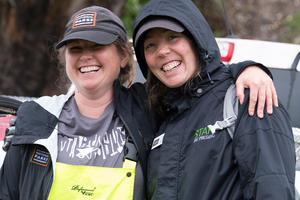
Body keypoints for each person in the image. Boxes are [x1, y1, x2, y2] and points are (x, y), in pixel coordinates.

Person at [0, 4, 280, 200]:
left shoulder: (149, 109)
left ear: (124, 56)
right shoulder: (36, 116)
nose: (86, 56)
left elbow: (200, 87)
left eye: (97, 46)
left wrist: (247, 68)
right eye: (76, 49)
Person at [132, 0, 295, 199]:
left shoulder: (248, 98)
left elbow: (272, 190)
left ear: (197, 40)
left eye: (173, 37)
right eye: (150, 45)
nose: (162, 51)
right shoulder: (159, 117)